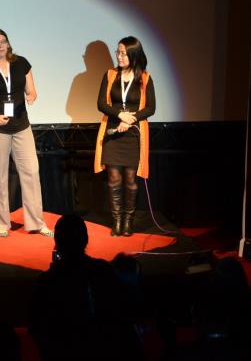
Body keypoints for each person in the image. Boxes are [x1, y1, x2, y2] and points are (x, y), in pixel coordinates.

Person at [0, 27, 52, 238]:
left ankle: (36, 222)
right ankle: (2, 223)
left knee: (31, 172)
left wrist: (32, 96)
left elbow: (31, 90)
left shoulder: (21, 63)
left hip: (21, 125)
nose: (0, 46)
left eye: (3, 41)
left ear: (8, 43)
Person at [28, 214, 138, 361]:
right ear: (86, 240)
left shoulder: (46, 281)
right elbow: (121, 313)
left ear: (57, 243)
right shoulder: (103, 271)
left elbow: (35, 329)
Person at [95, 36, 156, 237]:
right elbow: (101, 104)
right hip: (113, 131)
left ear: (133, 55)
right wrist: (119, 115)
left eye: (123, 53)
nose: (119, 56)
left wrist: (131, 119)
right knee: (113, 177)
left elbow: (150, 108)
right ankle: (117, 221)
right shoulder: (110, 75)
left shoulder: (145, 78)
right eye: (118, 52)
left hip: (133, 134)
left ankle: (128, 221)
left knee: (130, 178)